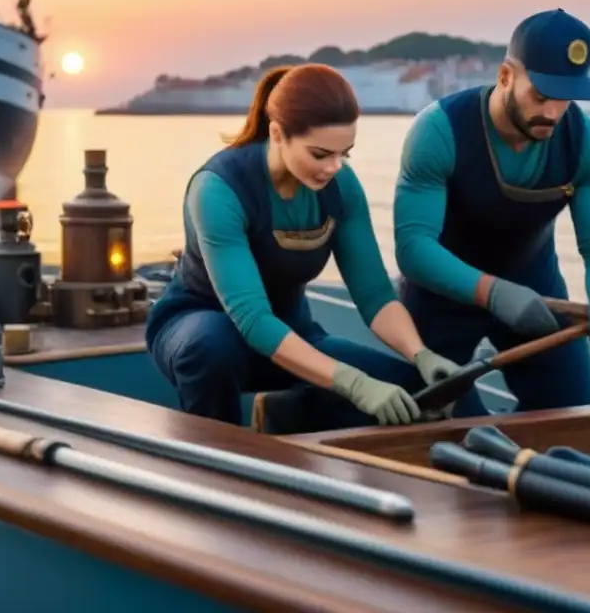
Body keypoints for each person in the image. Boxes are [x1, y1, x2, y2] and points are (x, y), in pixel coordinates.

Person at [145, 63, 464, 431]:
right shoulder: (218, 189)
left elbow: (375, 295)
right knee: (214, 346)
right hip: (202, 333)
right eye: (319, 154)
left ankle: (286, 415)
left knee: (415, 393)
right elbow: (252, 319)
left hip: (294, 337)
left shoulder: (341, 186)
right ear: (277, 133)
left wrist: (419, 353)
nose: (333, 167)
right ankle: (218, 458)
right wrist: (355, 384)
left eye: (345, 153)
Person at [393, 8, 590, 417]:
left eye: (565, 98)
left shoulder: (589, 144)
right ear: (506, 76)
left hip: (539, 297)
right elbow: (414, 248)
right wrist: (494, 292)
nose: (553, 113)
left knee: (572, 422)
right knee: (440, 434)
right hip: (440, 300)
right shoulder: (438, 131)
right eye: (540, 96)